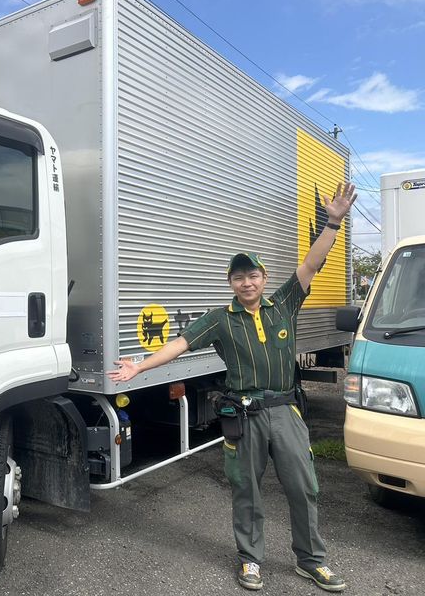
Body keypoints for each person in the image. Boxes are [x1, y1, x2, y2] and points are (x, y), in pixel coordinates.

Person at [108, 182, 357, 593]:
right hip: (244, 415)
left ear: (264, 278)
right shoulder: (220, 318)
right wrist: (139, 366)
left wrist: (333, 221)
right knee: (248, 491)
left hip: (286, 412)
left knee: (304, 487)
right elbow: (179, 345)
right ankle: (250, 560)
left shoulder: (284, 303)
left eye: (253, 275)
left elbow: (313, 263)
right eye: (239, 277)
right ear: (230, 282)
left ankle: (311, 561)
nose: (247, 283)